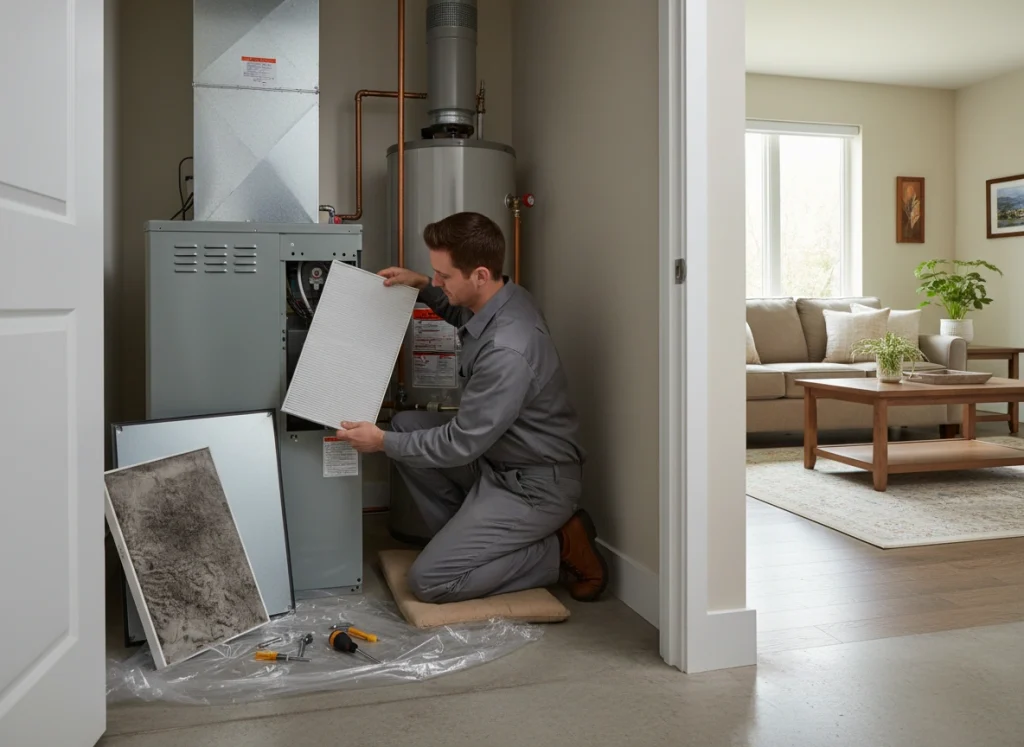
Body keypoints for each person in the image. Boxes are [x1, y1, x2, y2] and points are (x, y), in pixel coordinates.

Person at [334, 211, 608, 604]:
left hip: (533, 486)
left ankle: (559, 549)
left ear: (480, 274)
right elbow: (461, 311)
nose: (438, 281)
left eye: (444, 276)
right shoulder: (506, 296)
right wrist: (420, 285)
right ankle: (467, 544)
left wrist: (380, 442)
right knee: (408, 424)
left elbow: (460, 444)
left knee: (430, 582)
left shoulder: (507, 349)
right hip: (499, 461)